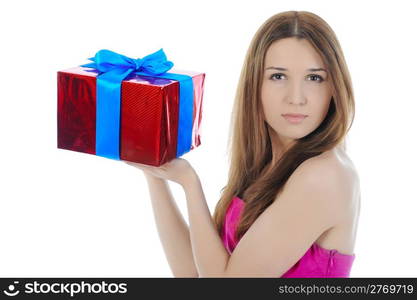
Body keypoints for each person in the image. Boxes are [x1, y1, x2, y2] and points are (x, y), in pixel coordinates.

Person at [125, 10, 361, 278]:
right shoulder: (267, 166)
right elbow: (191, 274)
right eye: (278, 76)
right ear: (255, 85)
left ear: (335, 88)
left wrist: (191, 184)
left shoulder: (323, 175)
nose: (296, 98)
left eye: (314, 77)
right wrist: (153, 171)